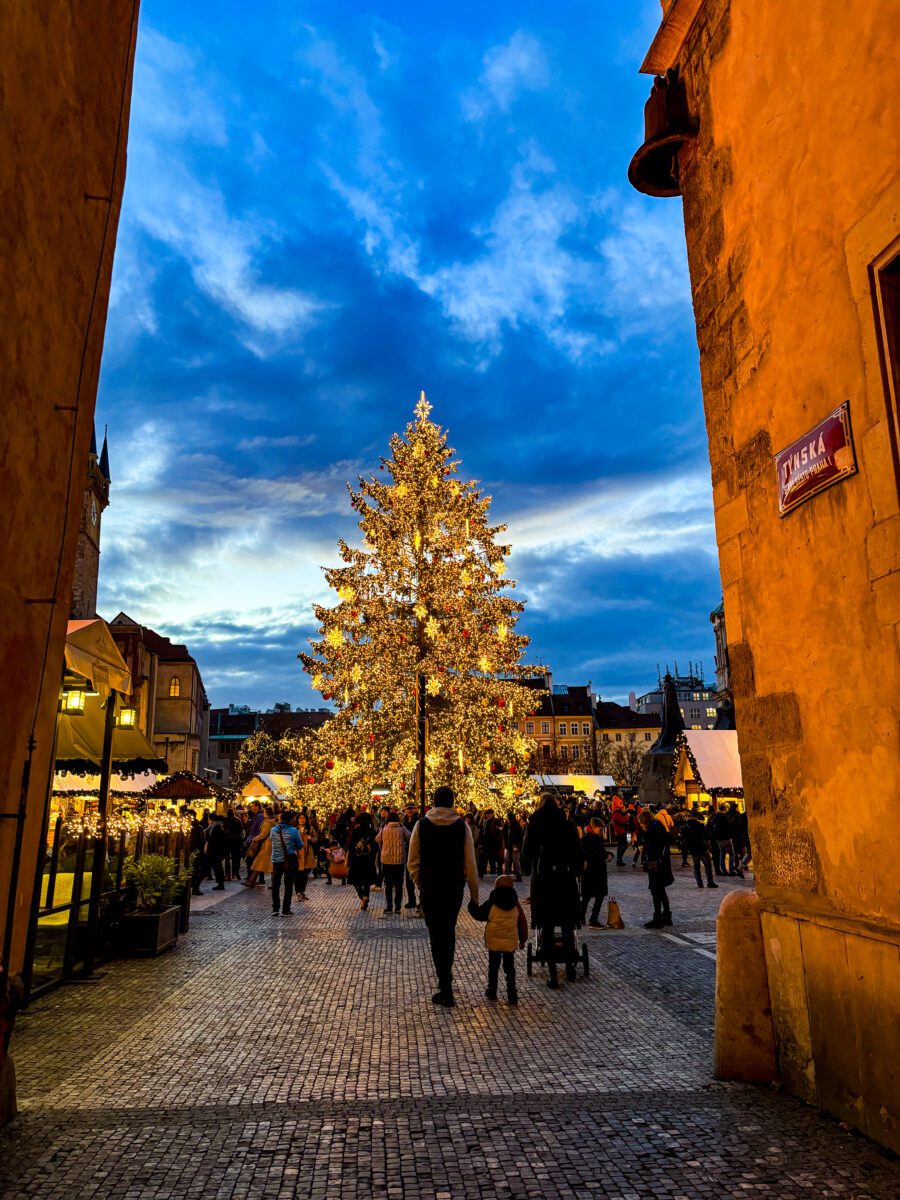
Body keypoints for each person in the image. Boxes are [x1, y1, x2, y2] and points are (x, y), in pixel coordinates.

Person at [407, 785, 479, 1007]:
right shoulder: (462, 826)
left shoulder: (421, 825)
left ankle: (444, 982)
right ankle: (446, 983)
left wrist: (421, 882)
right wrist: (474, 893)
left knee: (435, 935)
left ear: (434, 801)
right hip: (453, 887)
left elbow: (412, 861)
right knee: (448, 931)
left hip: (431, 888)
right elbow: (471, 862)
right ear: (452, 801)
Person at [521, 792, 583, 989]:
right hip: (565, 879)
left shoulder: (535, 824)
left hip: (544, 880)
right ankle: (571, 967)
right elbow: (577, 851)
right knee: (566, 922)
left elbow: (526, 853)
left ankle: (553, 974)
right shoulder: (567, 824)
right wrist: (577, 869)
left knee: (546, 925)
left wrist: (526, 867)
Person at [468, 875, 528, 1005]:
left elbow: (479, 914)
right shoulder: (515, 904)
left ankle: (492, 991)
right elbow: (522, 923)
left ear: (495, 888)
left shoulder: (492, 903)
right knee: (509, 968)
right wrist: (522, 940)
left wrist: (472, 905)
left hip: (494, 941)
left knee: (493, 967)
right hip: (509, 943)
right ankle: (512, 994)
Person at [638, 810, 674, 928]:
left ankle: (658, 918)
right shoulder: (658, 828)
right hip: (661, 864)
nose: (641, 825)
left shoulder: (653, 832)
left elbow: (653, 849)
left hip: (656, 865)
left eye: (641, 823)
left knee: (656, 891)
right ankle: (667, 917)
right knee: (661, 891)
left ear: (644, 821)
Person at [376, 809, 410, 914]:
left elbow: (377, 839)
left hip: (386, 861)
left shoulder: (384, 828)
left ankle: (389, 907)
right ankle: (398, 907)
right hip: (399, 861)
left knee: (388, 884)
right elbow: (409, 837)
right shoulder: (401, 828)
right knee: (399, 885)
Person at [269, 810, 303, 916]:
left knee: (275, 884)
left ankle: (275, 908)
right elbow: (300, 845)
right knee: (288, 885)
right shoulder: (294, 831)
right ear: (291, 820)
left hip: (276, 860)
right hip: (289, 860)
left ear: (280, 819)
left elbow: (272, 840)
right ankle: (285, 910)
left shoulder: (273, 830)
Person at [580, 810, 610, 927]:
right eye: (600, 829)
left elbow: (600, 853)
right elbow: (595, 854)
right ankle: (591, 919)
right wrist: (605, 855)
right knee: (594, 896)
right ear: (594, 827)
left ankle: (582, 918)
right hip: (594, 871)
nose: (601, 831)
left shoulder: (589, 839)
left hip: (592, 871)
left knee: (589, 896)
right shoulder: (589, 839)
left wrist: (608, 855)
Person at [347, 811, 378, 911]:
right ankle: (365, 895)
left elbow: (350, 845)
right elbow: (376, 846)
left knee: (355, 880)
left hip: (357, 858)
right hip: (368, 859)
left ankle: (362, 896)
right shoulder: (372, 831)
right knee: (366, 881)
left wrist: (350, 858)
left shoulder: (356, 831)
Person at [684, 809, 717, 888]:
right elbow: (708, 835)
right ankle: (710, 882)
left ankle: (699, 883)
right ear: (696, 817)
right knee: (707, 866)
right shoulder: (700, 825)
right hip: (702, 848)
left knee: (696, 866)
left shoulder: (686, 826)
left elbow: (685, 839)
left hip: (692, 849)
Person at [243, 806, 275, 888]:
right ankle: (251, 881)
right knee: (263, 864)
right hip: (269, 845)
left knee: (260, 863)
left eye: (264, 812)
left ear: (267, 814)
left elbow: (264, 834)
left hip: (267, 846)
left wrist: (255, 838)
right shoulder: (272, 821)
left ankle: (251, 881)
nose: (263, 813)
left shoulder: (268, 823)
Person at [294, 813, 318, 901]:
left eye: (303, 818)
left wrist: (310, 838)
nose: (302, 820)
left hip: (307, 854)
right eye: (300, 818)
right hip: (298, 854)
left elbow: (316, 839)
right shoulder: (295, 829)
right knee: (297, 874)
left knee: (305, 874)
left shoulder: (310, 828)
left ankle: (302, 891)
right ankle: (298, 892)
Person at [401, 802, 420, 909]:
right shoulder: (404, 820)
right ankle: (411, 900)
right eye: (408, 809)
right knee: (408, 878)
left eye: (411, 808)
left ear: (415, 809)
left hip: (417, 851)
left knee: (419, 876)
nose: (409, 811)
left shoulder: (418, 820)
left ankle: (421, 900)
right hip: (408, 851)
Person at [205, 812, 228, 891]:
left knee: (217, 867)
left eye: (209, 819)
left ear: (211, 820)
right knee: (217, 867)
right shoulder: (216, 827)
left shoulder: (215, 828)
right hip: (218, 851)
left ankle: (220, 883)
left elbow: (214, 841)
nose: (208, 821)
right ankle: (220, 883)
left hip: (216, 851)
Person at [187, 809, 206, 896]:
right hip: (196, 851)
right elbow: (202, 841)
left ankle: (192, 887)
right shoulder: (199, 827)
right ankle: (195, 887)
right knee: (196, 870)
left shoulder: (186, 827)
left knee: (192, 870)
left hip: (190, 851)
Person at [223, 807, 245, 881]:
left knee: (227, 858)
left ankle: (227, 875)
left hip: (227, 841)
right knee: (236, 858)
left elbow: (224, 830)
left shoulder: (225, 820)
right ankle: (235, 873)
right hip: (236, 840)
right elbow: (241, 830)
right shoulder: (237, 820)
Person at [610, 794, 629, 865]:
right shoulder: (616, 813)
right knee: (624, 845)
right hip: (620, 832)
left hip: (620, 831)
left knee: (621, 846)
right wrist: (627, 816)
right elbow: (622, 821)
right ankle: (619, 859)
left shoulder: (616, 812)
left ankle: (619, 859)